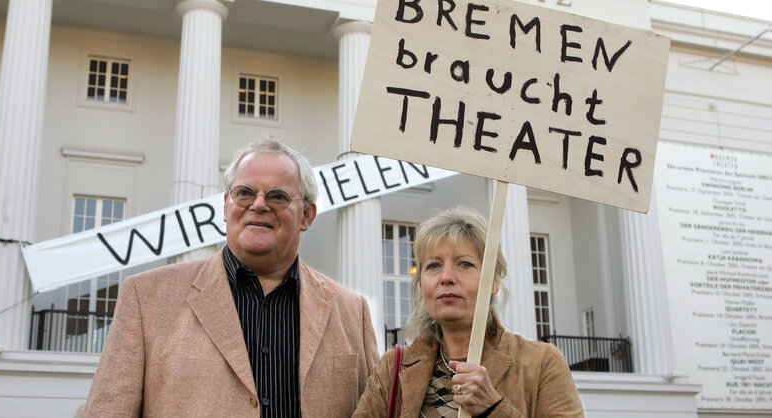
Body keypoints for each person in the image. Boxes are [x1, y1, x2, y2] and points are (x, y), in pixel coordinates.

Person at [85, 138, 380, 417]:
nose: (259, 204)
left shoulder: (353, 312)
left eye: (278, 196)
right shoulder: (146, 298)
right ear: (226, 206)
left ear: (306, 215)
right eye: (245, 193)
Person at [353, 206, 584, 417]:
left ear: (493, 281)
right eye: (433, 266)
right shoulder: (392, 367)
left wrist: (494, 408)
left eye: (465, 264)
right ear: (421, 286)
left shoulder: (541, 363)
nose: (446, 277)